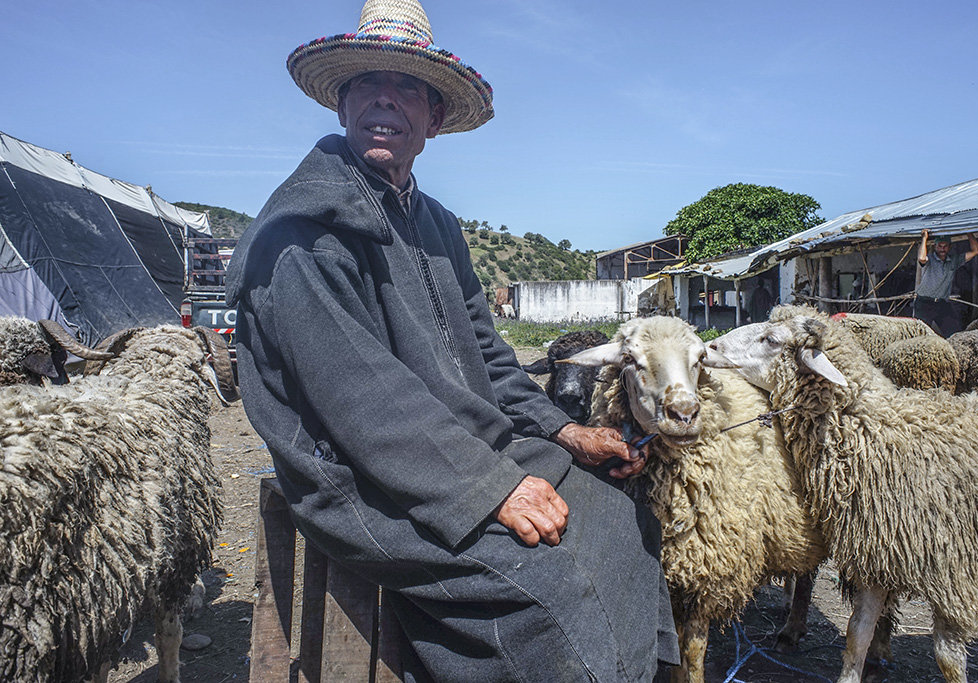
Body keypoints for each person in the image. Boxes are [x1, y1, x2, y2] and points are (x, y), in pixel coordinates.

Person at [225, 1, 679, 680]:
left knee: (619, 512)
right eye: (366, 83)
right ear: (341, 104)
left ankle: (640, 670)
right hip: (361, 475)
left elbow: (487, 354)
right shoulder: (303, 234)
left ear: (433, 119)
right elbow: (361, 400)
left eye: (407, 86)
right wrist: (491, 488)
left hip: (464, 448)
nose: (385, 98)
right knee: (547, 586)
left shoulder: (433, 222)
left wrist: (564, 434)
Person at [914, 229, 978, 336]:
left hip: (942, 303)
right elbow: (921, 258)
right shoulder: (930, 259)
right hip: (924, 303)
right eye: (939, 246)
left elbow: (976, 251)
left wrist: (969, 232)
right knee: (920, 334)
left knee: (954, 333)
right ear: (935, 246)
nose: (942, 249)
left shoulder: (953, 261)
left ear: (949, 247)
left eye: (945, 246)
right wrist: (924, 238)